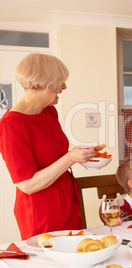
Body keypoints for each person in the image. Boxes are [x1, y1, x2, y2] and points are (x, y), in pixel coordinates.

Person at [0, 53, 95, 240]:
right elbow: (26, 185)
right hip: (42, 211)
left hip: (68, 203)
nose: (64, 87)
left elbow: (53, 157)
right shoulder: (11, 124)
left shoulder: (50, 112)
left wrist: (78, 156)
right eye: (60, 82)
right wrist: (70, 158)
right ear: (45, 84)